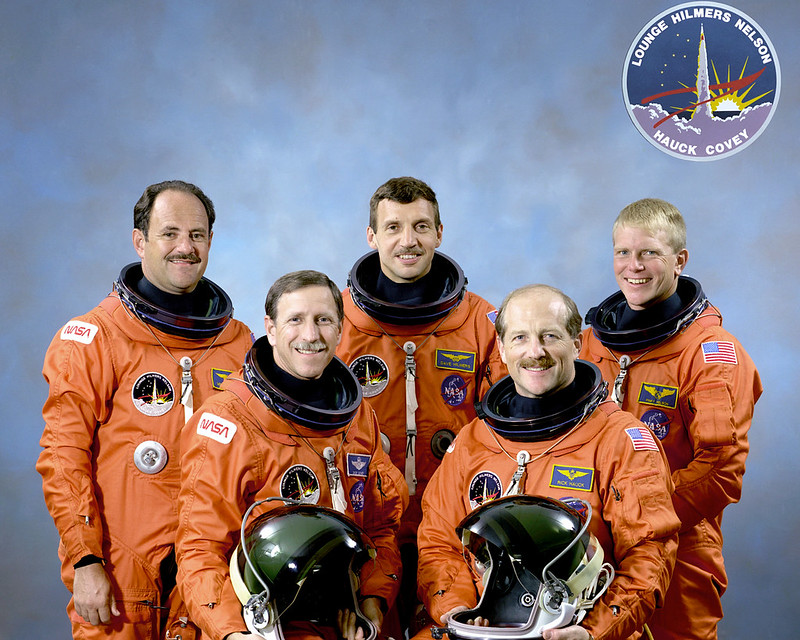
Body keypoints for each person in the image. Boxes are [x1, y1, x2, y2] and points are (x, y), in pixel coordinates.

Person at [36, 180, 254, 640]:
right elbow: (62, 457)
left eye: (197, 235)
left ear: (211, 242)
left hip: (216, 574)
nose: (185, 247)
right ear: (140, 241)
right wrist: (86, 560)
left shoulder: (239, 343)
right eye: (170, 233)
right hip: (122, 574)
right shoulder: (94, 338)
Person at [417, 284, 681, 640]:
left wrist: (590, 631)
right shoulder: (473, 441)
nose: (535, 352)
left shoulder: (620, 439)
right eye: (521, 337)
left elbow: (650, 552)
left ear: (577, 344)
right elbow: (439, 542)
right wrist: (461, 611)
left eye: (549, 336)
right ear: (502, 348)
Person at [176, 270, 409, 640]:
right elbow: (200, 548)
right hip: (264, 625)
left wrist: (373, 601)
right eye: (295, 320)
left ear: (340, 328)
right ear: (269, 328)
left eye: (323, 320)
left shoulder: (358, 414)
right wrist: (234, 634)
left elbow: (381, 529)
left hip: (349, 622)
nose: (311, 335)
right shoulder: (227, 420)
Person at [580, 198, 762, 640]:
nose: (633, 266)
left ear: (679, 260)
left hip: (677, 546)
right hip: (589, 549)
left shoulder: (711, 354)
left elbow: (720, 471)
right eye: (623, 252)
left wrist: (638, 523)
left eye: (649, 253)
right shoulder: (590, 344)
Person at [336, 177, 505, 631]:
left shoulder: (480, 322)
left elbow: (508, 433)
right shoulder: (335, 322)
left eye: (421, 227)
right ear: (371, 236)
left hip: (457, 529)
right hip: (368, 527)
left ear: (439, 233)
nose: (407, 241)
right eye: (393, 227)